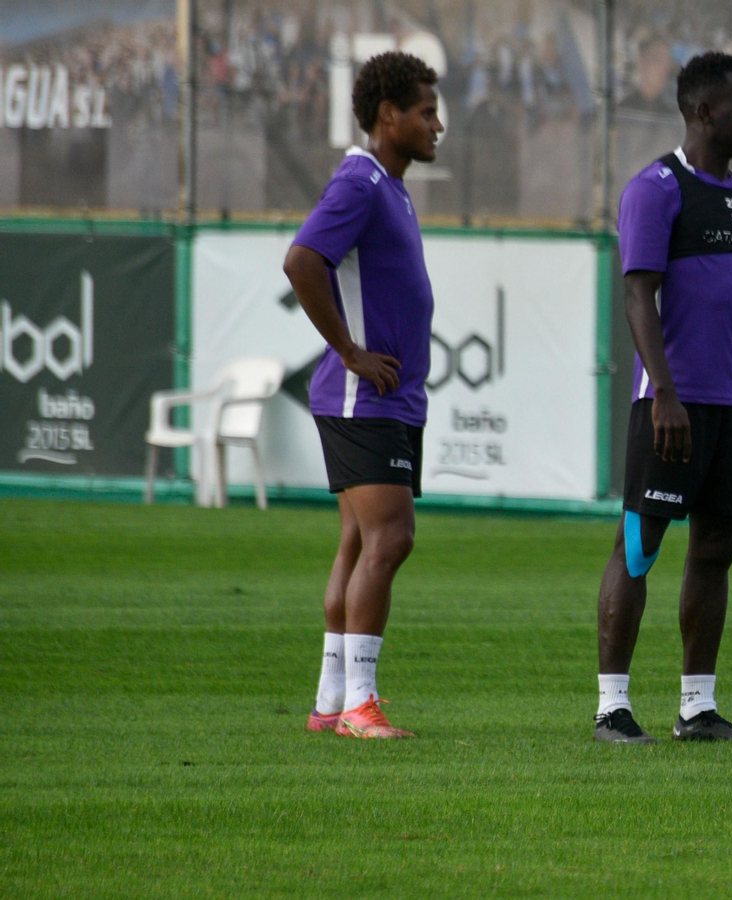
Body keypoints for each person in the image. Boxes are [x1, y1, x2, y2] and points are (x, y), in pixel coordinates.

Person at [593, 52, 732, 744]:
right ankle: (611, 708)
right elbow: (637, 297)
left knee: (716, 548)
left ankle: (696, 709)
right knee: (639, 546)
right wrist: (666, 396)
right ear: (706, 113)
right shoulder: (656, 189)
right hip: (671, 406)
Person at [282, 51, 443, 740]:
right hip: (363, 399)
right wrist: (349, 352)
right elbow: (301, 261)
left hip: (391, 400)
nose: (437, 125)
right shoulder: (361, 181)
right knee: (390, 537)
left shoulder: (390, 185)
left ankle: (330, 702)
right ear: (388, 116)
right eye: (426, 112)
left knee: (357, 543)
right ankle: (361, 706)